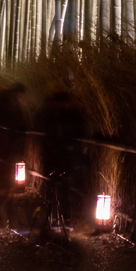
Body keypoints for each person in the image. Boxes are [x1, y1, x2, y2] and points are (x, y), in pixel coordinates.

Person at [33, 87, 87, 237]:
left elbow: (73, 138)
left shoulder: (70, 117)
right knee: (55, 189)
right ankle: (54, 219)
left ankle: (64, 219)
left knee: (63, 189)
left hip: (64, 158)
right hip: (56, 157)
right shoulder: (53, 116)